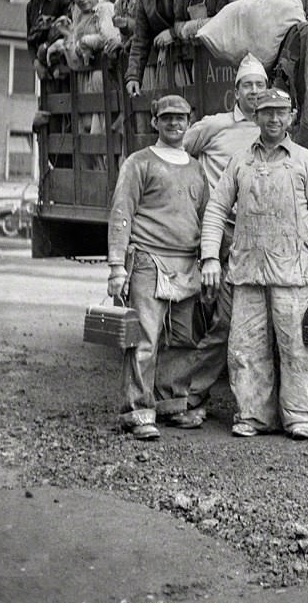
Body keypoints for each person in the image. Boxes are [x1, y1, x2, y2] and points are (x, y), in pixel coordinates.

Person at [200, 88, 308, 440]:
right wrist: (210, 257)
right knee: (246, 347)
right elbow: (216, 209)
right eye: (266, 112)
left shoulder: (306, 161)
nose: (274, 119)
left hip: (295, 271)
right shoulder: (239, 161)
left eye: (281, 112)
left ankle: (302, 417)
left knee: (298, 347)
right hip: (248, 271)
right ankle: (254, 415)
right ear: (255, 116)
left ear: (292, 116)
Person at [168, 53, 266, 425]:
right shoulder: (215, 126)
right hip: (219, 234)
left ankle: (256, 406)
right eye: (248, 86)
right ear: (236, 91)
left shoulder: (272, 128)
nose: (255, 93)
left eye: (260, 85)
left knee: (255, 323)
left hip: (258, 239)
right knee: (223, 319)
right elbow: (175, 155)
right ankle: (186, 396)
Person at [107, 94, 209, 440]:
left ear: (189, 121)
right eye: (167, 118)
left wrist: (210, 259)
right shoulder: (139, 163)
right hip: (148, 260)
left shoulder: (197, 168)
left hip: (186, 263)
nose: (174, 124)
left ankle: (173, 405)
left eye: (180, 118)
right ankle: (137, 411)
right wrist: (117, 268)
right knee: (145, 339)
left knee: (182, 339)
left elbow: (206, 217)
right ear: (155, 122)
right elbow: (122, 213)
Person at [54, 0, 119, 153]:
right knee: (86, 124)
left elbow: (109, 37)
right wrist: (68, 38)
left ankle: (108, 169)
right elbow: (75, 57)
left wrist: (86, 42)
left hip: (103, 75)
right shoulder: (78, 17)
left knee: (103, 124)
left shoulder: (105, 9)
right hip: (84, 77)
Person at [125, 0, 191, 99]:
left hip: (192, 61)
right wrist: (133, 76)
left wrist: (174, 33)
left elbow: (200, 21)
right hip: (163, 65)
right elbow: (140, 39)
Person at [22, 0, 72, 75]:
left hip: (64, 66)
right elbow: (30, 40)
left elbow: (68, 31)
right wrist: (36, 63)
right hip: (44, 69)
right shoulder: (31, 6)